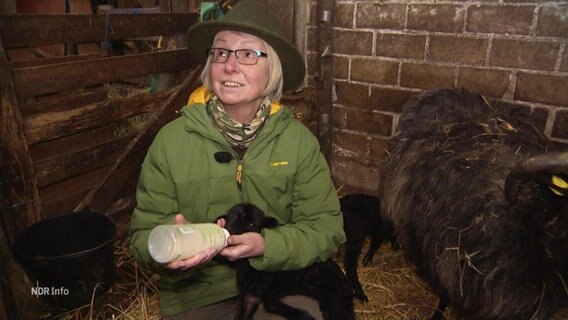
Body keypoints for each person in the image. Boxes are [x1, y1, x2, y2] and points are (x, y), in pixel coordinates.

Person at [129, 1, 345, 319]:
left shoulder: (297, 142)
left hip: (278, 278)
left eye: (247, 54)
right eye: (221, 52)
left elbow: (326, 229)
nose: (230, 66)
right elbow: (141, 238)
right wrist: (167, 247)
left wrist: (267, 246)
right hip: (197, 289)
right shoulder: (171, 142)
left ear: (272, 69)